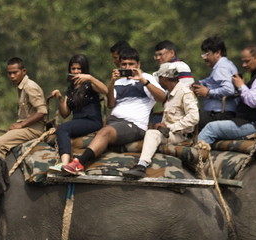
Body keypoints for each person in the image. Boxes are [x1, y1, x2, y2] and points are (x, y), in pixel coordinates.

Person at [62, 47, 165, 175]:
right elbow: (111, 104)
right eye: (124, 64)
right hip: (114, 121)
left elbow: (161, 97)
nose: (127, 67)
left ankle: (79, 164)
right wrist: (112, 82)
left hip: (134, 124)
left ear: (138, 64)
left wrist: (143, 81)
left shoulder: (146, 77)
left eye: (131, 64)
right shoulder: (119, 81)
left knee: (105, 132)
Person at [197, 44, 256, 146]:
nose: (244, 65)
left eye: (247, 61)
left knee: (211, 128)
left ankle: (195, 158)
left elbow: (254, 102)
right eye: (243, 61)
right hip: (252, 122)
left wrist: (241, 86)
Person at [123, 63, 199, 179]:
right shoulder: (170, 94)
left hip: (179, 135)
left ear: (164, 79)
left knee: (152, 134)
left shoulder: (185, 93)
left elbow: (194, 117)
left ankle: (141, 165)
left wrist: (170, 128)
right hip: (168, 133)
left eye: (159, 78)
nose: (158, 81)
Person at [48, 54, 107, 170]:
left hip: (92, 120)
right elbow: (65, 113)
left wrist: (90, 78)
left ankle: (64, 163)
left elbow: (105, 90)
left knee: (63, 128)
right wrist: (60, 99)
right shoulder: (71, 89)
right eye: (73, 69)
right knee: (62, 127)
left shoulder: (90, 84)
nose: (75, 71)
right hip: (78, 121)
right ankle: (64, 162)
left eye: (79, 69)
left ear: (84, 70)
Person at [0, 57, 48, 158]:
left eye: (15, 72)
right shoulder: (21, 87)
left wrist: (21, 125)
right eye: (9, 73)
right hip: (26, 128)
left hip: (32, 130)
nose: (12, 76)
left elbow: (42, 111)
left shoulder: (30, 87)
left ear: (23, 71)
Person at [191, 36, 239, 129]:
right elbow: (211, 81)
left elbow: (229, 90)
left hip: (220, 114)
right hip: (218, 113)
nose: (204, 58)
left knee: (190, 120)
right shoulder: (224, 65)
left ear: (217, 53)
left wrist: (208, 92)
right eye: (203, 54)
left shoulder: (221, 67)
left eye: (207, 54)